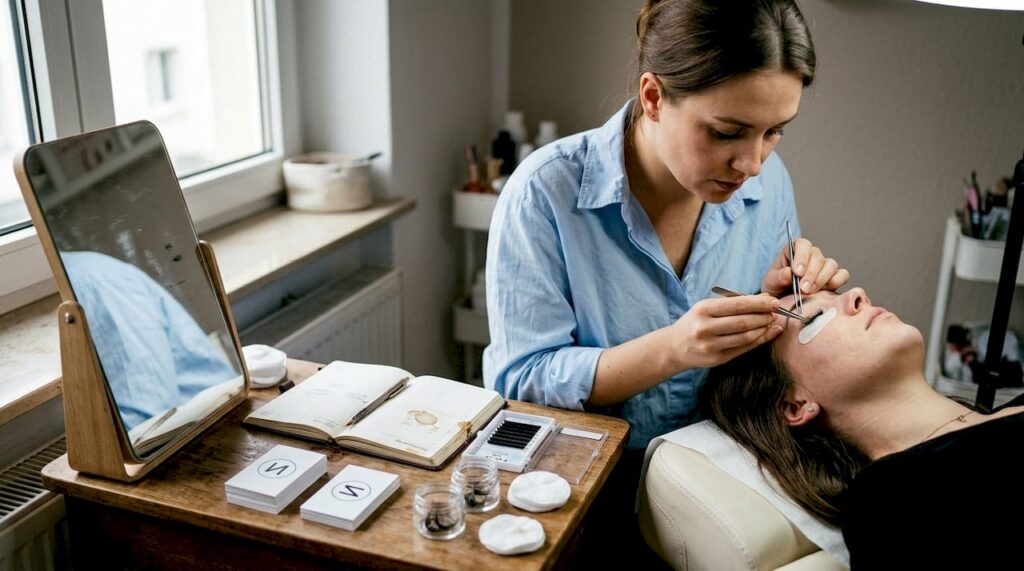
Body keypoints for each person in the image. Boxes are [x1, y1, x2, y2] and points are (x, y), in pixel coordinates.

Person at [485, 0, 847, 453]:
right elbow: (523, 382)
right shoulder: (543, 193)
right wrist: (673, 349)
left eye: (775, 131)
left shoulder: (769, 184)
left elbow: (759, 364)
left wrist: (777, 298)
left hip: (710, 467)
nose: (752, 163)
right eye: (725, 132)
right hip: (583, 481)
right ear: (653, 98)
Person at [702, 287, 1024, 569]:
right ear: (795, 405)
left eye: (836, 295)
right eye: (814, 317)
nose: (857, 293)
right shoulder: (891, 499)